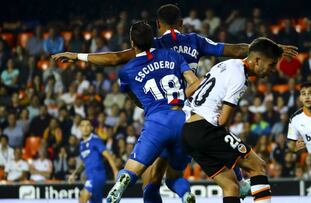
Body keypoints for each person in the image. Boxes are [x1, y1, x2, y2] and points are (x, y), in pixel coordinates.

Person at [52, 4, 297, 201]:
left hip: (161, 113)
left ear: (158, 26)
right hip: (191, 111)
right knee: (211, 147)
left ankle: (233, 184)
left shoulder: (155, 46)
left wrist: (77, 56)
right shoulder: (194, 41)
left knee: (152, 178)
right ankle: (237, 182)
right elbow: (235, 50)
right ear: (181, 23)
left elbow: (116, 58)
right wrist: (271, 50)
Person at [106, 21, 200, 203]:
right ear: (153, 39)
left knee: (136, 171)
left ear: (132, 43)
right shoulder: (172, 55)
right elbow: (194, 82)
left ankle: (122, 182)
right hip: (181, 118)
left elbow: (136, 99)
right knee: (174, 175)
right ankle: (186, 195)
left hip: (157, 122)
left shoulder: (126, 71)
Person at [182, 37, 283, 203]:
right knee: (257, 166)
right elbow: (222, 121)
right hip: (205, 129)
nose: (273, 70)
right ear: (257, 60)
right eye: (271, 64)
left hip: (187, 131)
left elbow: (195, 86)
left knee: (231, 187)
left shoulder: (226, 64)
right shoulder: (240, 78)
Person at [68, 119, 118, 203]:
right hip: (90, 175)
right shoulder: (81, 144)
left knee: (83, 196)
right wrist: (74, 174)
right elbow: (84, 163)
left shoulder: (95, 140)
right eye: (83, 125)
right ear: (80, 128)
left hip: (97, 175)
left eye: (88, 125)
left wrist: (115, 171)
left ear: (91, 128)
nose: (85, 128)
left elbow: (108, 156)